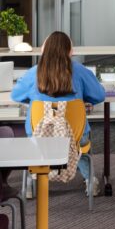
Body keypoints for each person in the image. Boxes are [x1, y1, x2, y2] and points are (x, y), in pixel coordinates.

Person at [11, 31, 105, 195]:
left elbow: (16, 95)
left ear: (44, 49)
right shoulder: (80, 70)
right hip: (75, 136)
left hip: (39, 135)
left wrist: (38, 102)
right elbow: (99, 95)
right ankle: (90, 181)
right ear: (70, 51)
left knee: (34, 146)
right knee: (80, 146)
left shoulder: (34, 72)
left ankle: (30, 185)